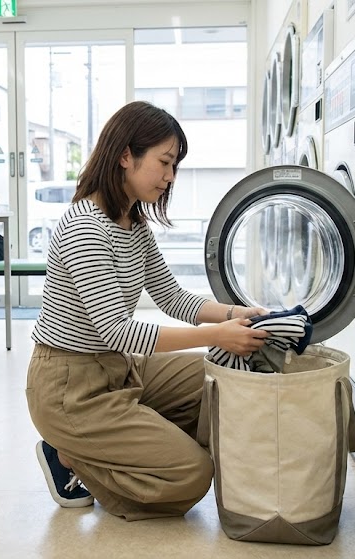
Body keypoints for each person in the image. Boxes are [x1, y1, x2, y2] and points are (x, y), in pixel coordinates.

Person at [26, 101, 269, 519]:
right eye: (165, 162)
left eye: (174, 165)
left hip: (118, 368)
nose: (171, 176)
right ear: (126, 156)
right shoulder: (85, 227)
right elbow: (118, 331)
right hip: (70, 387)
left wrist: (237, 315)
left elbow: (172, 298)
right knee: (193, 475)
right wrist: (217, 335)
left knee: (219, 380)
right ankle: (69, 455)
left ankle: (124, 438)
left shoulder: (133, 225)